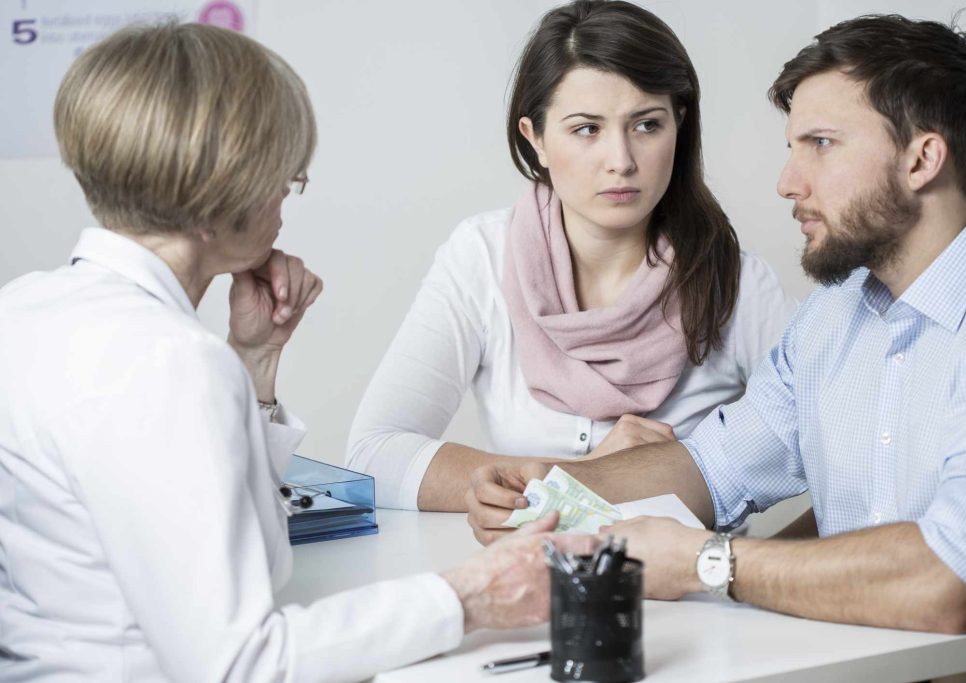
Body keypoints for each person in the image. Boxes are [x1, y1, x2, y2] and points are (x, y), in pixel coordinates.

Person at [0, 23, 591, 682]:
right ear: (217, 192)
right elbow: (241, 662)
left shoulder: (24, 309)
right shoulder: (167, 362)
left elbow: (201, 524)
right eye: (284, 175)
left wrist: (253, 355)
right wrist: (471, 595)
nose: (287, 194)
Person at [466, 13, 966, 679]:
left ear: (921, 158)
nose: (787, 181)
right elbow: (711, 468)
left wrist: (708, 561)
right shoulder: (832, 316)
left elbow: (949, 583)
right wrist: (547, 483)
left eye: (820, 144)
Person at [346, 0, 796, 511]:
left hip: (682, 584)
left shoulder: (738, 285)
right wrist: (591, 476)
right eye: (587, 129)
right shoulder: (481, 257)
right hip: (521, 577)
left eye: (647, 125)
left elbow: (833, 452)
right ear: (534, 138)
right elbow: (373, 454)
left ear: (680, 123)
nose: (621, 161)